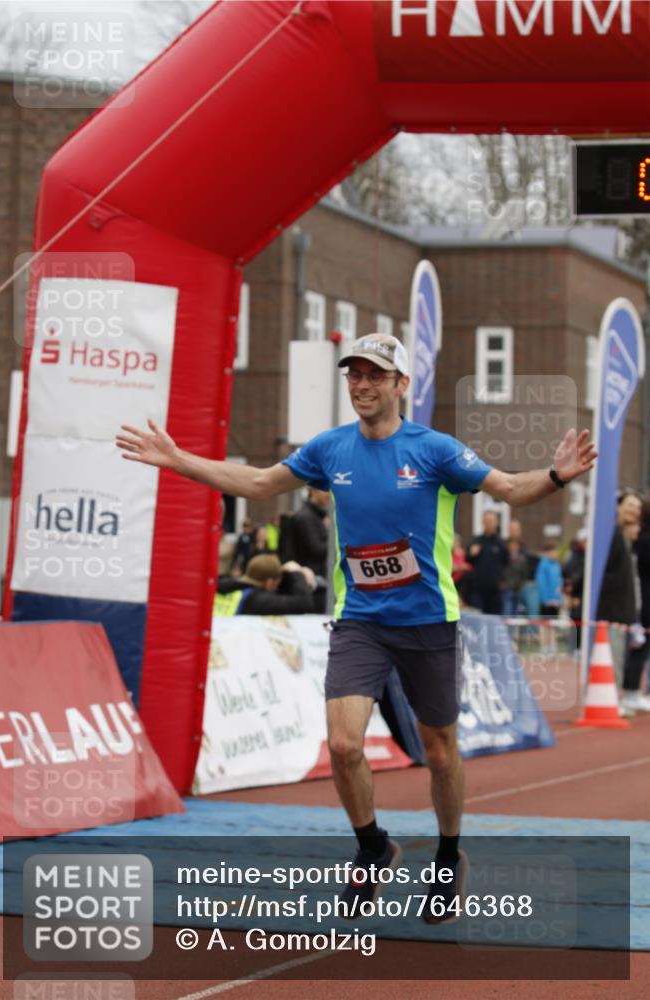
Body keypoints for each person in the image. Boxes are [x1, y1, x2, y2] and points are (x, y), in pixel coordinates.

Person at [116, 331, 596, 923]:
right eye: (354, 375)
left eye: (374, 375)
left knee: (441, 752)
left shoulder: (435, 449)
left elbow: (510, 489)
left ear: (401, 385)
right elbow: (261, 483)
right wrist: (177, 460)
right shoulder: (330, 448)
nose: (362, 385)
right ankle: (373, 845)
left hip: (427, 621)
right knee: (344, 744)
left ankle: (448, 858)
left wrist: (556, 474)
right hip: (360, 620)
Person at [596, 491, 642, 707]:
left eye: (638, 508)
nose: (635, 510)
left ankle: (614, 699)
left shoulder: (625, 537)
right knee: (611, 657)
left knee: (619, 657)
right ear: (619, 506)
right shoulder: (611, 534)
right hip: (611, 611)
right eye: (631, 505)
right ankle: (609, 701)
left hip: (623, 611)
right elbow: (604, 574)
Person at [214, 554, 315, 616]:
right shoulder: (256, 600)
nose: (277, 588)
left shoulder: (227, 588)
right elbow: (303, 603)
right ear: (269, 582)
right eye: (277, 584)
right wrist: (296, 573)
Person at [621, 498, 650, 712]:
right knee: (639, 648)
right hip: (643, 603)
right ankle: (630, 692)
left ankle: (634, 692)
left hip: (642, 600)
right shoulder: (644, 541)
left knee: (642, 649)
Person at [283, 487, 330, 613]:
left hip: (313, 582)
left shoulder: (313, 516)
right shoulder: (306, 517)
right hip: (312, 584)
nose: (329, 494)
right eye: (325, 490)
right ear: (313, 491)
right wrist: (331, 536)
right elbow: (316, 549)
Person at [466, 511, 509, 614]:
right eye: (487, 521)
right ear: (483, 522)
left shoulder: (501, 543)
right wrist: (471, 554)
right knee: (477, 619)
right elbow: (467, 559)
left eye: (492, 521)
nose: (489, 523)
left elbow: (506, 563)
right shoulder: (476, 541)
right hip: (478, 589)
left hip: (495, 590)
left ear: (497, 523)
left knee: (494, 620)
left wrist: (503, 581)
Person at [500, 538, 530, 616]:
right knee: (507, 612)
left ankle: (513, 628)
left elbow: (525, 574)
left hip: (518, 590)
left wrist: (521, 585)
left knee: (515, 614)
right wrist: (503, 585)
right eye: (511, 545)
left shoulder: (522, 559)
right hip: (507, 589)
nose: (513, 547)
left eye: (515, 545)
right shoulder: (503, 558)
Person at [536, 542, 563, 616]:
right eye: (554, 551)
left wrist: (559, 598)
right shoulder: (543, 565)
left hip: (556, 600)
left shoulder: (557, 565)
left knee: (554, 622)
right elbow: (541, 583)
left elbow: (559, 582)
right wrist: (545, 599)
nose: (556, 553)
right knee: (546, 622)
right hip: (547, 602)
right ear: (548, 552)